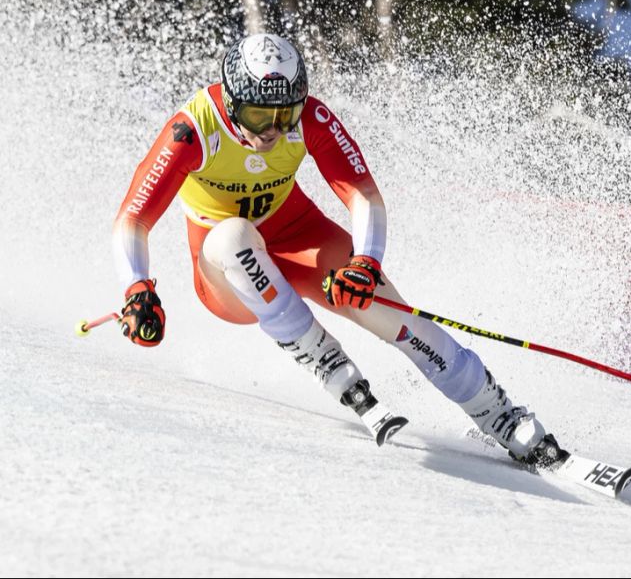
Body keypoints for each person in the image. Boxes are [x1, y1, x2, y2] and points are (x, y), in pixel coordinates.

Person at [113, 33, 567, 466]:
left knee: (393, 315)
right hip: (227, 272)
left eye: (284, 116)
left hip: (299, 238)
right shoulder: (193, 129)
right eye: (257, 117)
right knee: (233, 236)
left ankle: (502, 416)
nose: (271, 131)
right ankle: (326, 362)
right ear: (231, 101)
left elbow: (363, 196)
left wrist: (366, 263)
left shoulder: (312, 117)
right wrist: (137, 288)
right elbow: (133, 218)